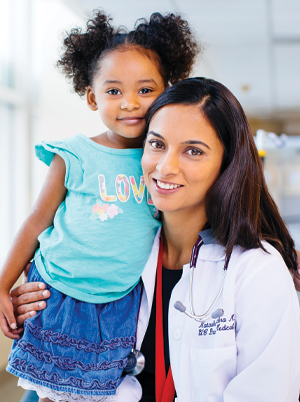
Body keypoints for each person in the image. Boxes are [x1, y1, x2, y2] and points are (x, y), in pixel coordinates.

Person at [11, 77, 300, 402]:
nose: (165, 166)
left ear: (227, 164)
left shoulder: (257, 272)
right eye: (157, 144)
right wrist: (40, 302)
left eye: (193, 151)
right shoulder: (118, 253)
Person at [0, 10, 199, 402]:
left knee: (99, 393)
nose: (130, 104)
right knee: (47, 393)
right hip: (56, 291)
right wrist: (2, 285)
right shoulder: (73, 155)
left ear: (167, 91)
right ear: (92, 97)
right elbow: (36, 222)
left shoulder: (165, 162)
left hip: (119, 302)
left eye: (145, 90)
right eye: (113, 91)